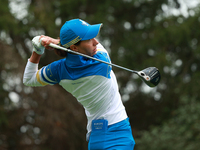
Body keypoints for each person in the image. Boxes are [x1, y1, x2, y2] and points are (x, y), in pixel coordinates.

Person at [23, 18, 135, 150]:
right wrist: (53, 41)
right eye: (89, 40)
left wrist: (38, 50)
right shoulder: (101, 62)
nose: (96, 42)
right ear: (74, 47)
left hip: (95, 138)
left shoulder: (58, 70)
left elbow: (28, 79)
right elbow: (85, 48)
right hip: (119, 134)